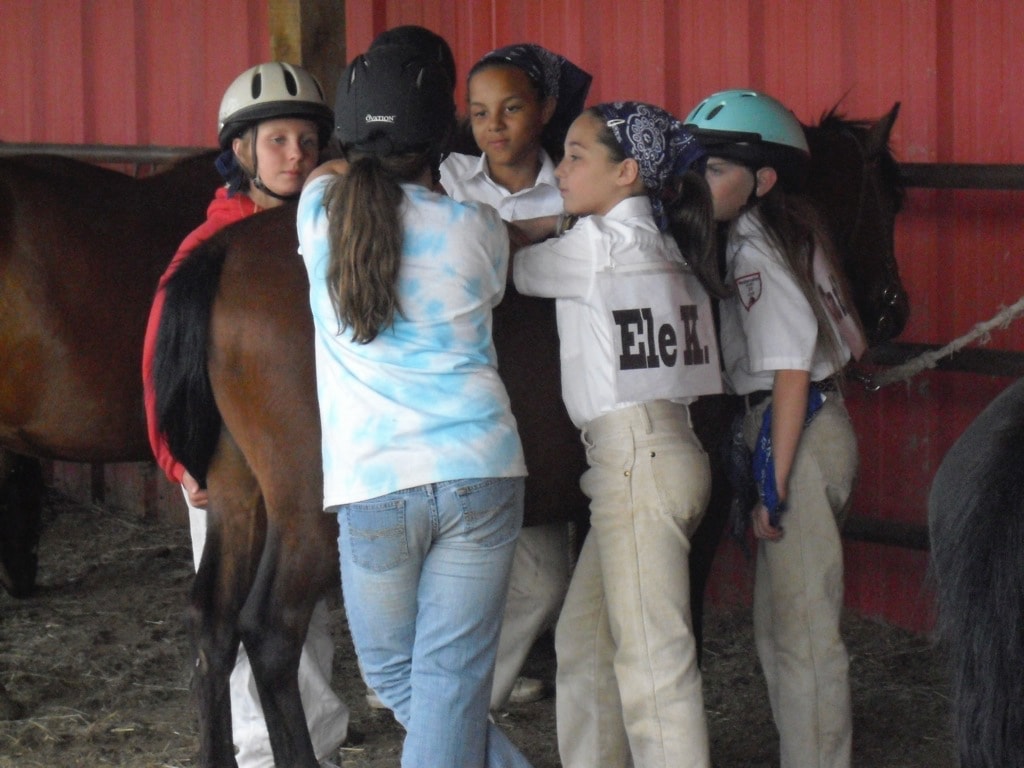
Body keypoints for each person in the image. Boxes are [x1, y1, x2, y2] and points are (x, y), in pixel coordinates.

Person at [296, 44, 533, 768]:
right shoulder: (478, 227)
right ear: (440, 139)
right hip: (482, 469)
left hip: (376, 483)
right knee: (448, 683)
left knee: (401, 679)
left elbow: (329, 175)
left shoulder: (317, 214)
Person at [141, 61, 354, 768]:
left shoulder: (323, 230)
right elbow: (159, 360)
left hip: (294, 440)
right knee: (253, 597)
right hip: (219, 449)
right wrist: (179, 457)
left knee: (297, 603)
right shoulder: (212, 245)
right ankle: (264, 750)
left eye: (307, 141)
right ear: (241, 152)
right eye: (278, 141)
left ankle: (303, 740)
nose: (296, 154)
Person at [512, 101, 728, 768]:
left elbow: (506, 261)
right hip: (670, 452)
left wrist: (548, 218)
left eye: (578, 156)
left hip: (633, 458)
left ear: (627, 171)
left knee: (654, 663)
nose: (563, 167)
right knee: (585, 640)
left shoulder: (595, 250)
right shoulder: (670, 246)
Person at [684, 88, 867, 768]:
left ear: (761, 180)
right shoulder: (793, 231)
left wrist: (773, 484)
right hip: (813, 423)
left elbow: (791, 374)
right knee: (781, 627)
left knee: (802, 635)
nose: (698, 182)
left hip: (796, 429)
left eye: (714, 170)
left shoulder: (756, 247)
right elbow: (854, 342)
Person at [439, 42, 592, 710]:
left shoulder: (578, 181)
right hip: (458, 396)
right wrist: (545, 228)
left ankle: (466, 703)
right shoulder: (445, 177)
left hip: (547, 399)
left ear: (546, 110)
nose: (493, 126)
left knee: (545, 574)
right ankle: (436, 699)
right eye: (478, 113)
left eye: (510, 109)